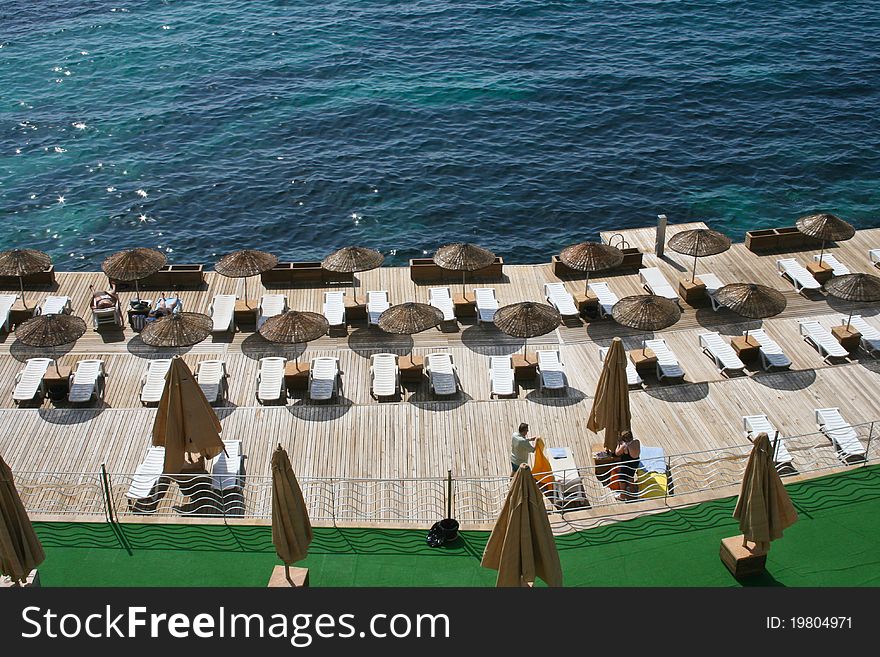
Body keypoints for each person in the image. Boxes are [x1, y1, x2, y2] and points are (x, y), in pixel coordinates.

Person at [614, 430, 641, 501]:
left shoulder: (625, 446)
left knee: (621, 479)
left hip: (627, 464)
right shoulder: (637, 441)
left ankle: (622, 496)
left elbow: (617, 453)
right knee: (630, 476)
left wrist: (618, 444)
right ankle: (632, 493)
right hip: (635, 462)